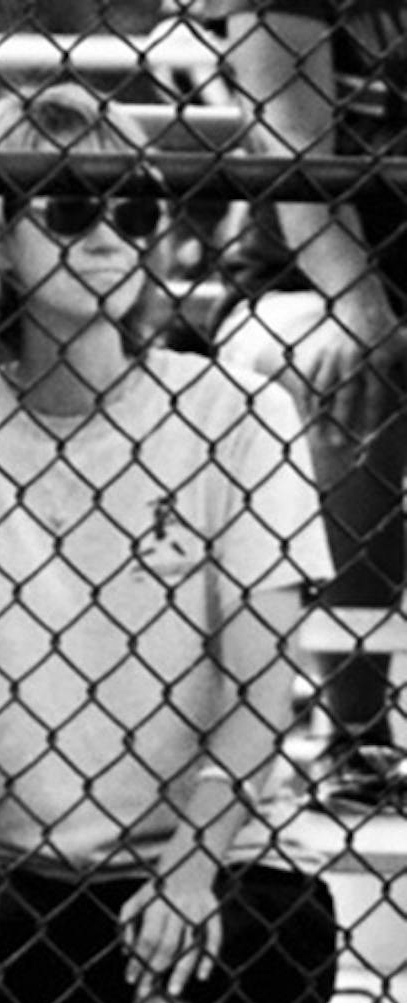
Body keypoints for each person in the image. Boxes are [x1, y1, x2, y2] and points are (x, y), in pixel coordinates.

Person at [0, 85, 340, 1003]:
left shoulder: (235, 414)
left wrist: (192, 867)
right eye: (65, 208)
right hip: (20, 874)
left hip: (225, 859)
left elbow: (258, 678)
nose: (106, 234)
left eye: (134, 208)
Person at [197, 0, 407, 811]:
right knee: (341, 357)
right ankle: (350, 732)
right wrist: (363, 308)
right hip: (300, 290)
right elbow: (297, 166)